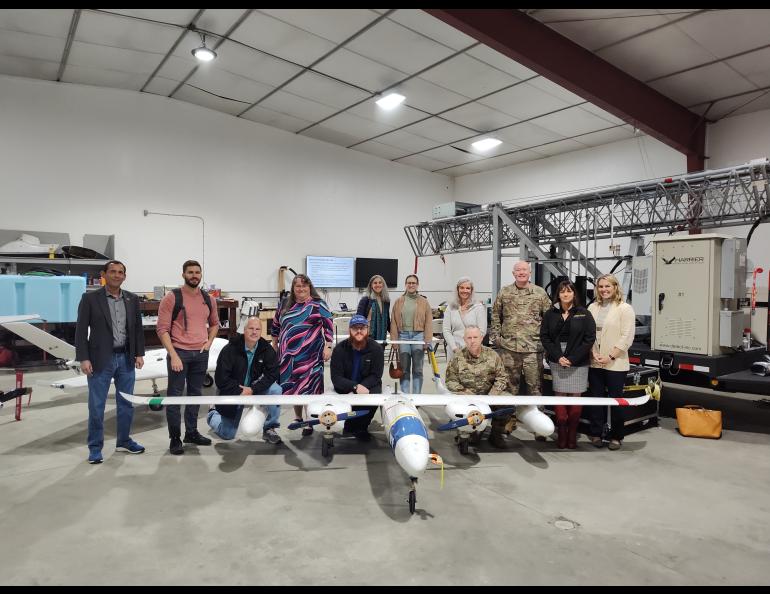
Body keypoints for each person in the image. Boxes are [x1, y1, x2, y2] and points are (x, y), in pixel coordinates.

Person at [75, 260, 145, 464]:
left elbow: (137, 329)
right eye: (112, 272)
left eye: (120, 272)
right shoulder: (90, 299)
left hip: (126, 359)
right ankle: (95, 448)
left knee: (126, 404)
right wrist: (84, 358)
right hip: (99, 360)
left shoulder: (132, 299)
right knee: (97, 406)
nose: (116, 275)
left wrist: (139, 353)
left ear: (124, 276)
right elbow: (80, 331)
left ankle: (123, 441)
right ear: (104, 274)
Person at [157, 260, 219, 455]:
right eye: (190, 272)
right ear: (183, 274)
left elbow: (215, 323)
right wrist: (173, 355)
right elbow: (162, 329)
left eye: (197, 272)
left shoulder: (208, 299)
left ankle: (191, 432)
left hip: (200, 354)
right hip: (179, 353)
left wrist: (208, 343)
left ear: (201, 275)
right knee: (174, 397)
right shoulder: (172, 297)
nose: (194, 275)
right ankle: (175, 438)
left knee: (195, 394)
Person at [488, 260, 551, 448]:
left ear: (529, 272)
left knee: (535, 389)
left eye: (525, 270)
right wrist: (496, 339)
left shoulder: (540, 293)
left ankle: (539, 428)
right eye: (518, 270)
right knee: (508, 391)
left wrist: (546, 344)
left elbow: (548, 320)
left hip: (533, 350)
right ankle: (502, 428)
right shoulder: (505, 292)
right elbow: (496, 316)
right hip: (509, 350)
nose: (521, 273)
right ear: (513, 273)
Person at [271, 274, 333, 435]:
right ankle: (298, 417)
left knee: (309, 387)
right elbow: (276, 325)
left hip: (311, 356)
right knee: (293, 387)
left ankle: (309, 420)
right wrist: (274, 344)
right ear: (293, 288)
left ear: (309, 287)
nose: (301, 289)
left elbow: (328, 326)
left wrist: (329, 346)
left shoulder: (318, 305)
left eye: (304, 286)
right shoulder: (284, 304)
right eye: (297, 286)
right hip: (288, 356)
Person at [207, 317, 283, 444]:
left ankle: (270, 428)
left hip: (254, 389)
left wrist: (253, 389)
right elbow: (221, 379)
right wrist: (239, 390)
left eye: (258, 329)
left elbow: (272, 374)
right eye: (251, 328)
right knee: (227, 434)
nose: (254, 332)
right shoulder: (230, 349)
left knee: (276, 389)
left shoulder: (266, 349)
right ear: (244, 330)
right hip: (234, 391)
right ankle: (212, 413)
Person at [540, 280, 596, 449]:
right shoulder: (550, 313)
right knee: (560, 398)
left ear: (574, 294)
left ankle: (572, 433)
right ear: (558, 294)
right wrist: (558, 357)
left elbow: (589, 338)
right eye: (562, 291)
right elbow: (545, 337)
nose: (565, 294)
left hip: (578, 361)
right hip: (558, 360)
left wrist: (573, 358)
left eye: (569, 291)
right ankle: (562, 432)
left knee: (576, 399)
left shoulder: (584, 313)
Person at [587, 273, 636, 451]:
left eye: (608, 286)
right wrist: (594, 353)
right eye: (601, 286)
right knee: (596, 399)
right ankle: (596, 433)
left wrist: (610, 356)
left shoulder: (624, 308)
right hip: (595, 361)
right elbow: (589, 334)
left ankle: (616, 436)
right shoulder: (592, 307)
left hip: (615, 363)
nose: (604, 289)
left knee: (616, 400)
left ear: (615, 287)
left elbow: (627, 337)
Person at [445, 326, 508, 445]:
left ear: (481, 338)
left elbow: (502, 377)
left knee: (506, 402)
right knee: (473, 440)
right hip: (466, 396)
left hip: (489, 395)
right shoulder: (458, 357)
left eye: (475, 337)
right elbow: (450, 381)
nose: (472, 341)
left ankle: (496, 434)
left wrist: (492, 395)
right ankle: (468, 433)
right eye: (469, 338)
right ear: (464, 339)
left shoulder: (492, 355)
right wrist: (463, 391)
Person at [330, 314, 384, 441]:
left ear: (367, 330)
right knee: (345, 399)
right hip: (347, 384)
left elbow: (376, 375)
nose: (359, 331)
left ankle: (362, 427)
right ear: (350, 330)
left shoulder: (376, 349)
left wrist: (362, 387)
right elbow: (336, 377)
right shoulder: (339, 349)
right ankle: (349, 425)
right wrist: (354, 387)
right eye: (355, 328)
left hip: (367, 384)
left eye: (362, 328)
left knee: (375, 395)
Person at [390, 274, 433, 394]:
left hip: (418, 336)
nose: (411, 285)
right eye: (409, 283)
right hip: (403, 337)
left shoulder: (424, 302)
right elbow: (393, 321)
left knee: (418, 369)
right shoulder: (398, 301)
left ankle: (416, 396)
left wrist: (427, 340)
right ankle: (405, 396)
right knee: (404, 369)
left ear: (417, 285)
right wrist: (394, 341)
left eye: (413, 283)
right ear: (405, 285)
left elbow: (429, 321)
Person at [443, 276, 487, 361]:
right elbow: (446, 330)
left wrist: (471, 347)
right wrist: (454, 348)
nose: (465, 290)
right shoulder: (451, 307)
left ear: (471, 290)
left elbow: (482, 331)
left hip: (473, 349)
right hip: (454, 349)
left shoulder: (478, 307)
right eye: (462, 288)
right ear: (457, 289)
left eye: (468, 288)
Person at [356, 275, 390, 342]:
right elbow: (358, 319)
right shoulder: (365, 299)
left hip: (382, 336)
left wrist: (394, 334)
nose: (378, 285)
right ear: (371, 285)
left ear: (383, 285)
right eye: (375, 283)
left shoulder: (386, 301)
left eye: (380, 282)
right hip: (368, 336)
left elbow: (387, 320)